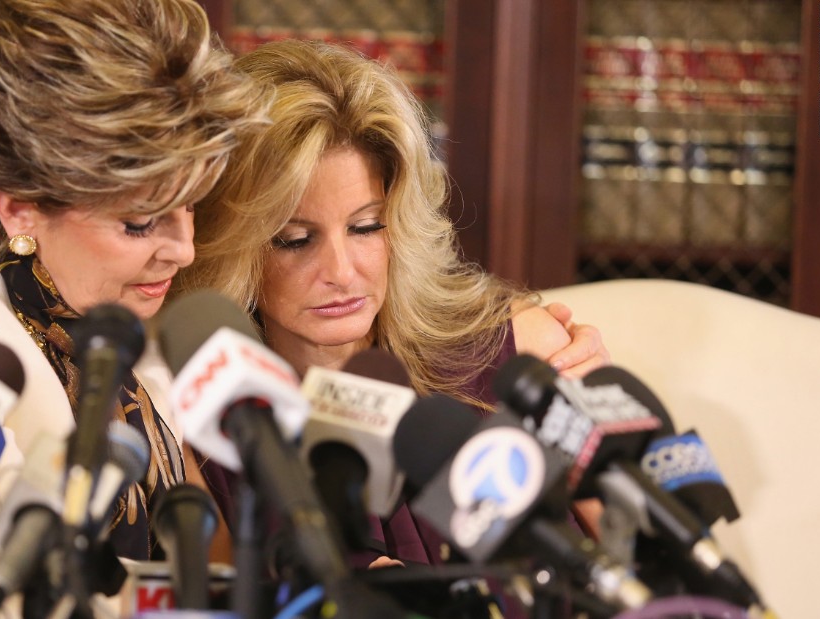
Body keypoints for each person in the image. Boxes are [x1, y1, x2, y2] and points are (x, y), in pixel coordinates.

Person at [0, 0, 269, 611]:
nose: (186, 251)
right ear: (19, 207)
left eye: (193, 204)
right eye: (140, 222)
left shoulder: (95, 308)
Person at [175, 39, 609, 566]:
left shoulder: (527, 352)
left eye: (365, 227)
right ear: (232, 245)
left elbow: (666, 558)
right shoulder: (204, 427)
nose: (341, 272)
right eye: (293, 238)